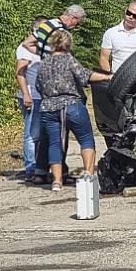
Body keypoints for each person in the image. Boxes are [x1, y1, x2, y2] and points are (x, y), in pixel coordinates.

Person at [36, 30, 111, 191]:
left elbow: (38, 86)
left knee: (55, 144)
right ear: (69, 44)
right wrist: (107, 77)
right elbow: (85, 75)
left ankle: (57, 181)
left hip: (49, 107)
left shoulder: (43, 63)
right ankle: (89, 175)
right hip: (71, 104)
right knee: (86, 139)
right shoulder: (69, 60)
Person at [15, 19, 46, 183]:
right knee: (31, 134)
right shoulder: (24, 49)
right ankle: (31, 168)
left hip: (43, 96)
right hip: (31, 96)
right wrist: (26, 94)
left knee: (41, 133)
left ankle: (41, 167)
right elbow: (20, 73)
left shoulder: (44, 49)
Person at [99, 1, 136, 73]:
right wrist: (109, 77)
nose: (131, 17)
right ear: (125, 11)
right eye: (129, 13)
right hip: (117, 78)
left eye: (135, 16)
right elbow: (104, 58)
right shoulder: (111, 33)